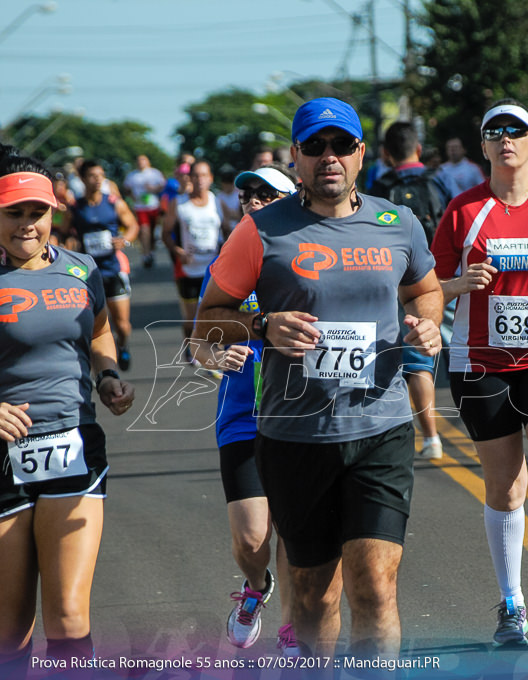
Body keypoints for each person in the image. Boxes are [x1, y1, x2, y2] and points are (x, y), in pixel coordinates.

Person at [195, 97, 443, 657]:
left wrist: (426, 327)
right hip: (294, 439)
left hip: (381, 430)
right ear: (297, 157)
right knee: (314, 598)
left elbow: (426, 291)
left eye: (341, 146)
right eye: (315, 146)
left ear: (360, 154)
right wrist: (261, 324)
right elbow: (204, 327)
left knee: (375, 587)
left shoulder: (397, 224)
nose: (328, 157)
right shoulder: (261, 231)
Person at [432, 99, 528, 646]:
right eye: (494, 133)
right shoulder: (462, 210)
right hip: (481, 361)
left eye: (516, 132)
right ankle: (512, 603)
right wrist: (460, 285)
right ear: (483, 147)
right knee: (506, 485)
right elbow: (427, 286)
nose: (506, 140)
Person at [0, 153, 135, 680]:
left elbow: (99, 332)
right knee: (10, 627)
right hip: (3, 461)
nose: (27, 223)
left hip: (73, 446)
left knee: (69, 616)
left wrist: (106, 376)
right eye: (14, 212)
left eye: (38, 210)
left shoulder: (80, 270)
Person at [191, 164, 299, 653]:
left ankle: (293, 628)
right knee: (252, 540)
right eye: (245, 194)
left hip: (302, 419)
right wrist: (219, 355)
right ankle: (255, 588)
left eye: (265, 194)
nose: (252, 201)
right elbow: (198, 344)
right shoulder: (228, 268)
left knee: (298, 538)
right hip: (243, 419)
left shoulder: (313, 261)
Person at [368, 121, 452, 460]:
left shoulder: (378, 186)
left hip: (390, 281)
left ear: (386, 155)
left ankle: (427, 435)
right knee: (437, 351)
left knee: (408, 358)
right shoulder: (437, 181)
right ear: (418, 149)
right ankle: (442, 432)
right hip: (435, 282)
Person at [70, 160, 140, 371]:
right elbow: (62, 229)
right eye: (93, 176)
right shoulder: (76, 207)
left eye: (101, 175)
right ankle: (96, 362)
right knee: (91, 324)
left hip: (113, 269)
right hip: (87, 273)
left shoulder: (113, 202)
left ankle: (123, 344)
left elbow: (132, 226)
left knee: (122, 324)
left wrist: (124, 240)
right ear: (83, 179)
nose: (98, 180)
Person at [162, 160, 226, 359]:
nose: (200, 180)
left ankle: (213, 354)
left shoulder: (216, 201)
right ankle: (190, 348)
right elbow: (165, 233)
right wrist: (177, 252)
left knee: (214, 315)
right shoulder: (179, 203)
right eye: (196, 176)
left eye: (204, 175)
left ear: (211, 178)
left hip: (213, 269)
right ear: (189, 178)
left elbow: (228, 231)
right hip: (188, 270)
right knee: (191, 318)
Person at [122, 154, 166, 268]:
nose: (141, 162)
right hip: (140, 207)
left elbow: (162, 186)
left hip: (153, 205)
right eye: (139, 160)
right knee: (144, 230)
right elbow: (126, 188)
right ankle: (146, 254)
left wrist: (153, 188)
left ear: (148, 161)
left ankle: (151, 250)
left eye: (143, 160)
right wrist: (132, 197)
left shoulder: (154, 173)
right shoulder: (132, 175)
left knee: (153, 232)